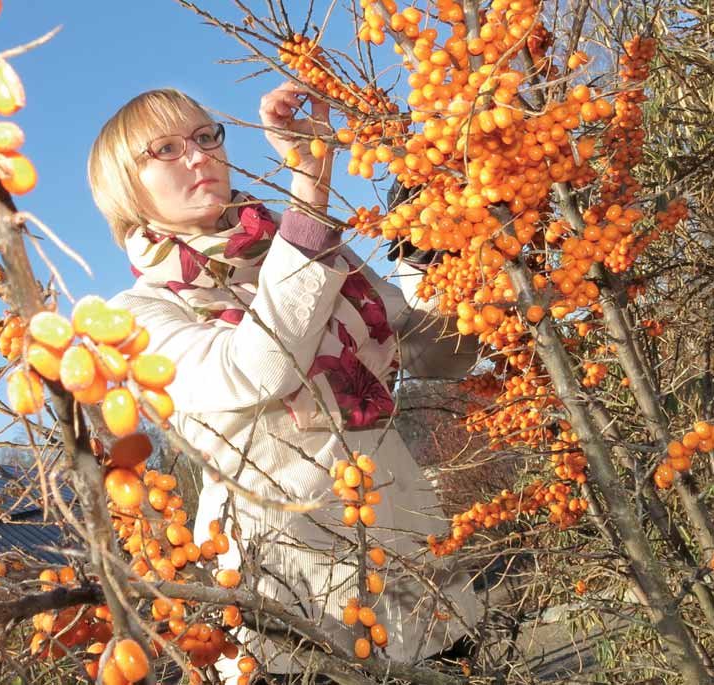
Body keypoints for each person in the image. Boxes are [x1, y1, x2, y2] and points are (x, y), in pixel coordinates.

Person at [88, 84, 480, 681]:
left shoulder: (303, 250)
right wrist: (310, 195)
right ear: (125, 188)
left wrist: (445, 249)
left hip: (406, 546)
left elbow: (433, 351)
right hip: (289, 581)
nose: (198, 156)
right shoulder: (139, 312)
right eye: (164, 149)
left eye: (203, 137)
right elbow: (257, 368)